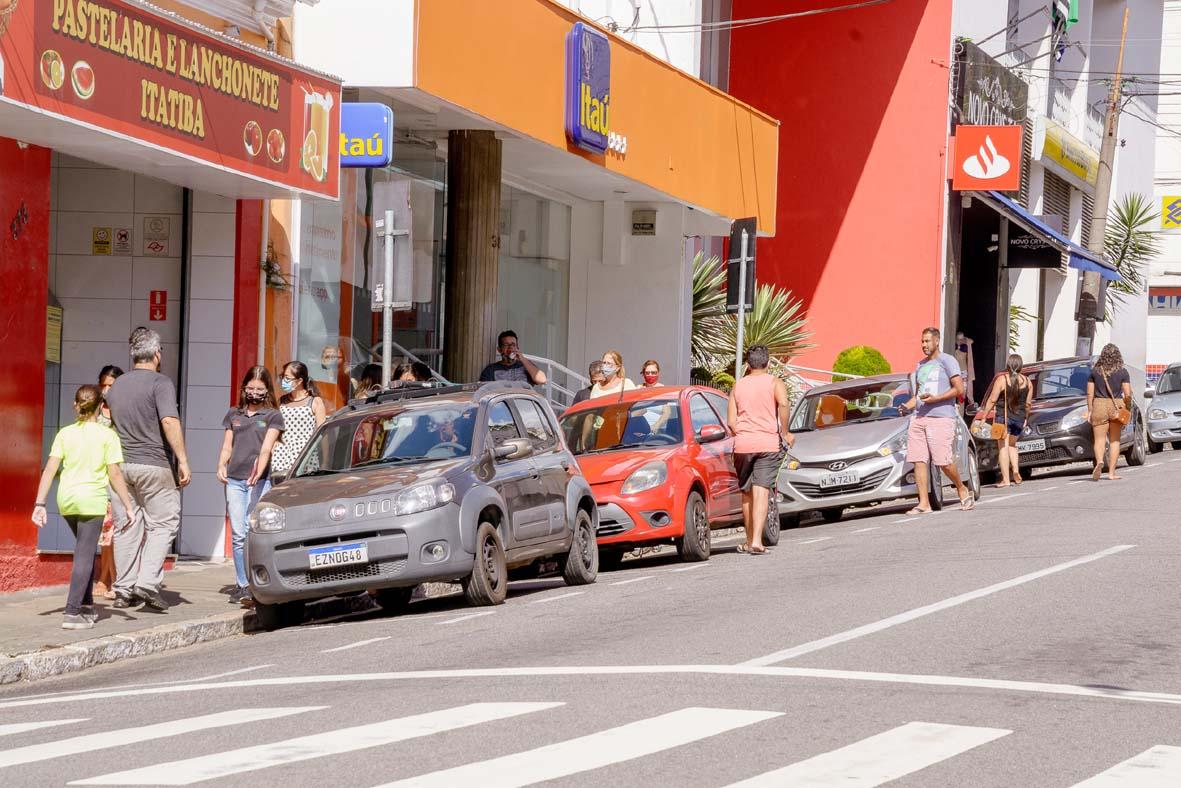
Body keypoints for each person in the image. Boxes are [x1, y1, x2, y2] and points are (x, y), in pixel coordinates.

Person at [31, 385, 136, 630]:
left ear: (76, 405)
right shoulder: (107, 435)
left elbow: (49, 469)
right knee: (84, 554)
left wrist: (39, 503)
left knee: (85, 550)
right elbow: (115, 473)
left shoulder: (65, 434)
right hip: (91, 500)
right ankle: (72, 611)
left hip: (67, 499)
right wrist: (128, 506)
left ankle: (87, 605)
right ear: (101, 406)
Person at [105, 327, 191, 612]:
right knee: (163, 524)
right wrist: (183, 459)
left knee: (126, 525)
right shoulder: (161, 382)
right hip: (153, 464)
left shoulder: (116, 386)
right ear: (156, 354)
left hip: (120, 466)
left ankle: (123, 589)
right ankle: (147, 582)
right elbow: (169, 421)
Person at [218, 366, 285, 606]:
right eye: (250, 388)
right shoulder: (233, 415)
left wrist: (259, 470)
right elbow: (227, 445)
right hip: (235, 480)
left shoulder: (272, 416)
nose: (254, 392)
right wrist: (221, 465)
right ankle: (242, 584)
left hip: (259, 479)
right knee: (238, 533)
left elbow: (267, 447)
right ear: (244, 388)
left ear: (267, 390)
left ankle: (259, 581)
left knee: (251, 530)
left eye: (259, 389)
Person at [898, 327, 973, 513]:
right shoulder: (920, 365)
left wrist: (936, 399)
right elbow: (918, 395)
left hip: (941, 417)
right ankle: (924, 503)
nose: (924, 345)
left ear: (936, 341)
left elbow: (959, 390)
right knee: (918, 460)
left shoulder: (948, 361)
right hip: (919, 417)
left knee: (943, 461)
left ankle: (962, 489)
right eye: (922, 341)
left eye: (927, 341)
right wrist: (906, 406)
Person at [727, 345, 792, 555]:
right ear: (768, 362)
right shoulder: (775, 382)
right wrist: (785, 431)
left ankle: (748, 539)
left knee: (746, 493)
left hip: (743, 445)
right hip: (767, 443)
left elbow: (731, 422)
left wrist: (744, 432)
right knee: (761, 489)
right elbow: (783, 403)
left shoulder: (737, 386)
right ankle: (756, 541)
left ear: (747, 364)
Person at [975, 354, 1032, 488]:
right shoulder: (1028, 382)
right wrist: (1025, 418)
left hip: (1002, 418)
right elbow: (1028, 404)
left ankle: (1006, 479)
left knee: (1003, 448)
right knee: (1013, 445)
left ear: (1008, 365)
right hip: (1019, 418)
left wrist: (984, 416)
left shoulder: (1002, 379)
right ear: (1021, 366)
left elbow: (992, 399)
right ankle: (1016, 470)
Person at [94, 365, 124, 600]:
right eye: (103, 385)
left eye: (111, 386)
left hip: (120, 477)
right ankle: (105, 579)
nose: (106, 390)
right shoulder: (95, 411)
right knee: (106, 534)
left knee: (117, 532)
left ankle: (112, 579)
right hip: (99, 478)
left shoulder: (125, 410)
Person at [271, 361, 327, 478]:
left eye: (287, 378)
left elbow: (323, 434)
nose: (283, 381)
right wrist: (274, 447)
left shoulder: (315, 401)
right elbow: (275, 429)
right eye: (282, 377)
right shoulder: (281, 401)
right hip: (282, 456)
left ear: (300, 381)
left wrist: (325, 462)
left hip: (305, 456)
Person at [1087, 343, 1132, 482]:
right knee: (1115, 441)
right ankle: (1111, 473)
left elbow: (1089, 393)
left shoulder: (1095, 372)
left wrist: (1090, 411)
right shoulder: (1123, 372)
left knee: (1099, 439)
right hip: (1116, 405)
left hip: (1099, 404)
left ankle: (1100, 461)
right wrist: (1127, 408)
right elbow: (1127, 393)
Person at [479, 330, 547, 385]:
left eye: (513, 345)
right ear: (499, 350)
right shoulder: (490, 370)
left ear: (517, 348)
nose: (510, 348)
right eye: (506, 345)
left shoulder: (526, 366)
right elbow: (485, 392)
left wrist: (523, 359)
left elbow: (542, 380)